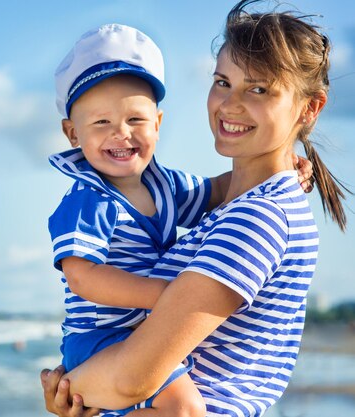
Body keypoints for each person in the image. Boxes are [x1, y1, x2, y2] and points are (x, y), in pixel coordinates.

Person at [41, 1, 350, 417]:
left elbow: (132, 379)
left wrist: (74, 390)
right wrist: (80, 394)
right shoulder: (239, 206)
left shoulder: (258, 218)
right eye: (223, 81)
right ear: (72, 132)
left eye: (258, 89)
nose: (230, 104)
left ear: (310, 108)